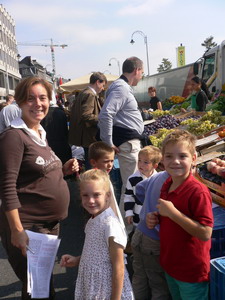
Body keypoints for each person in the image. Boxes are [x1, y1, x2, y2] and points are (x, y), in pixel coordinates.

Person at [0, 77, 79, 300]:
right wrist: (16, 230)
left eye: (42, 97)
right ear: (20, 103)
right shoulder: (14, 137)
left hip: (47, 226)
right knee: (38, 289)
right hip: (28, 226)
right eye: (30, 98)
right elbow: (6, 188)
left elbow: (35, 172)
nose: (38, 103)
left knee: (40, 286)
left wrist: (61, 170)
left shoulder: (39, 132)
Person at [146, 129, 213, 300]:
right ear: (162, 159)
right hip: (171, 265)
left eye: (182, 156)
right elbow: (167, 215)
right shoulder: (167, 184)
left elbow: (206, 233)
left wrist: (173, 213)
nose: (175, 161)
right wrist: (155, 217)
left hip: (191, 271)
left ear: (193, 159)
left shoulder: (198, 192)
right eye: (169, 156)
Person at [60, 169, 134, 300]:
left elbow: (119, 266)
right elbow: (97, 252)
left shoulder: (110, 225)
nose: (91, 200)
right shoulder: (93, 219)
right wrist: (77, 260)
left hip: (106, 289)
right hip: (93, 285)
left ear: (107, 195)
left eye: (96, 195)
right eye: (85, 195)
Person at [98, 57, 144, 212]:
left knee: (130, 185)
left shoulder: (121, 87)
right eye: (142, 72)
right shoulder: (121, 88)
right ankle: (125, 229)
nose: (141, 76)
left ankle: (124, 227)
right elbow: (106, 114)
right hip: (128, 143)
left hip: (128, 142)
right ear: (136, 70)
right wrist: (108, 142)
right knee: (131, 186)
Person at [131, 170, 171, 300]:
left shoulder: (158, 176)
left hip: (139, 234)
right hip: (154, 240)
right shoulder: (174, 183)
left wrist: (148, 204)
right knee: (158, 285)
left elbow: (139, 188)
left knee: (139, 277)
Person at [69, 72, 107, 170]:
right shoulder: (90, 94)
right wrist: (102, 119)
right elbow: (86, 115)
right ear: (98, 82)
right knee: (92, 163)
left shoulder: (84, 92)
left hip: (85, 135)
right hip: (89, 136)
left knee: (90, 160)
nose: (103, 88)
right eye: (103, 85)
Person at [124, 146, 162, 227]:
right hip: (138, 216)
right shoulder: (132, 179)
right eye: (139, 160)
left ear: (154, 166)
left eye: (146, 162)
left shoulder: (158, 179)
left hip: (153, 218)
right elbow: (128, 196)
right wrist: (129, 212)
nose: (141, 164)